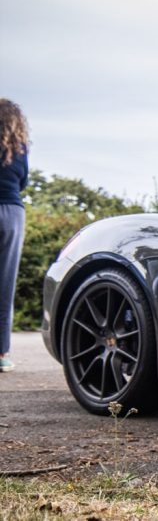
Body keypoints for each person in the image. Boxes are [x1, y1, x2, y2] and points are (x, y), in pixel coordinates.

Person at [0, 99, 29, 372]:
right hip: (11, 212)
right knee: (4, 286)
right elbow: (23, 182)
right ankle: (1, 354)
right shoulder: (18, 148)